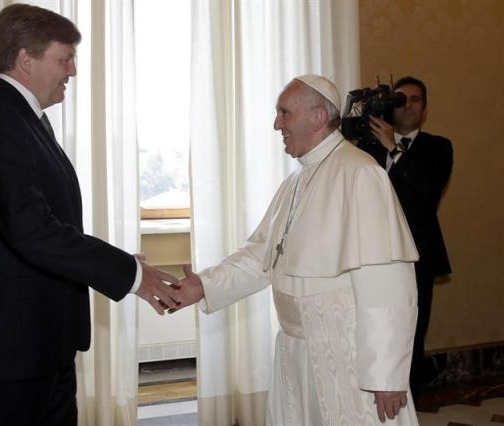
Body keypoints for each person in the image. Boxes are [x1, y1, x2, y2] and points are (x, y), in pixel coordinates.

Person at [0, 4, 178, 425]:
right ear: (26, 60)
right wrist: (127, 274)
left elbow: (49, 224)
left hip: (40, 341)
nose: (73, 71)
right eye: (64, 59)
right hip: (10, 348)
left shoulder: (26, 121)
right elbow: (32, 231)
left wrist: (114, 261)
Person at [171, 75, 420, 425]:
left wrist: (387, 374)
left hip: (345, 352)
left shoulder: (360, 174)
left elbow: (388, 283)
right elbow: (263, 254)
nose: (277, 124)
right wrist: (205, 285)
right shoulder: (296, 181)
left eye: (284, 113)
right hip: (295, 347)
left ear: (318, 117)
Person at [359, 76, 453, 401]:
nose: (408, 105)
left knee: (411, 332)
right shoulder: (366, 146)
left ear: (425, 110)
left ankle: (407, 406)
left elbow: (427, 191)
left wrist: (394, 148)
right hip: (369, 254)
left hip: (416, 255)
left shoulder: (439, 147)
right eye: (401, 99)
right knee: (371, 329)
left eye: (415, 100)